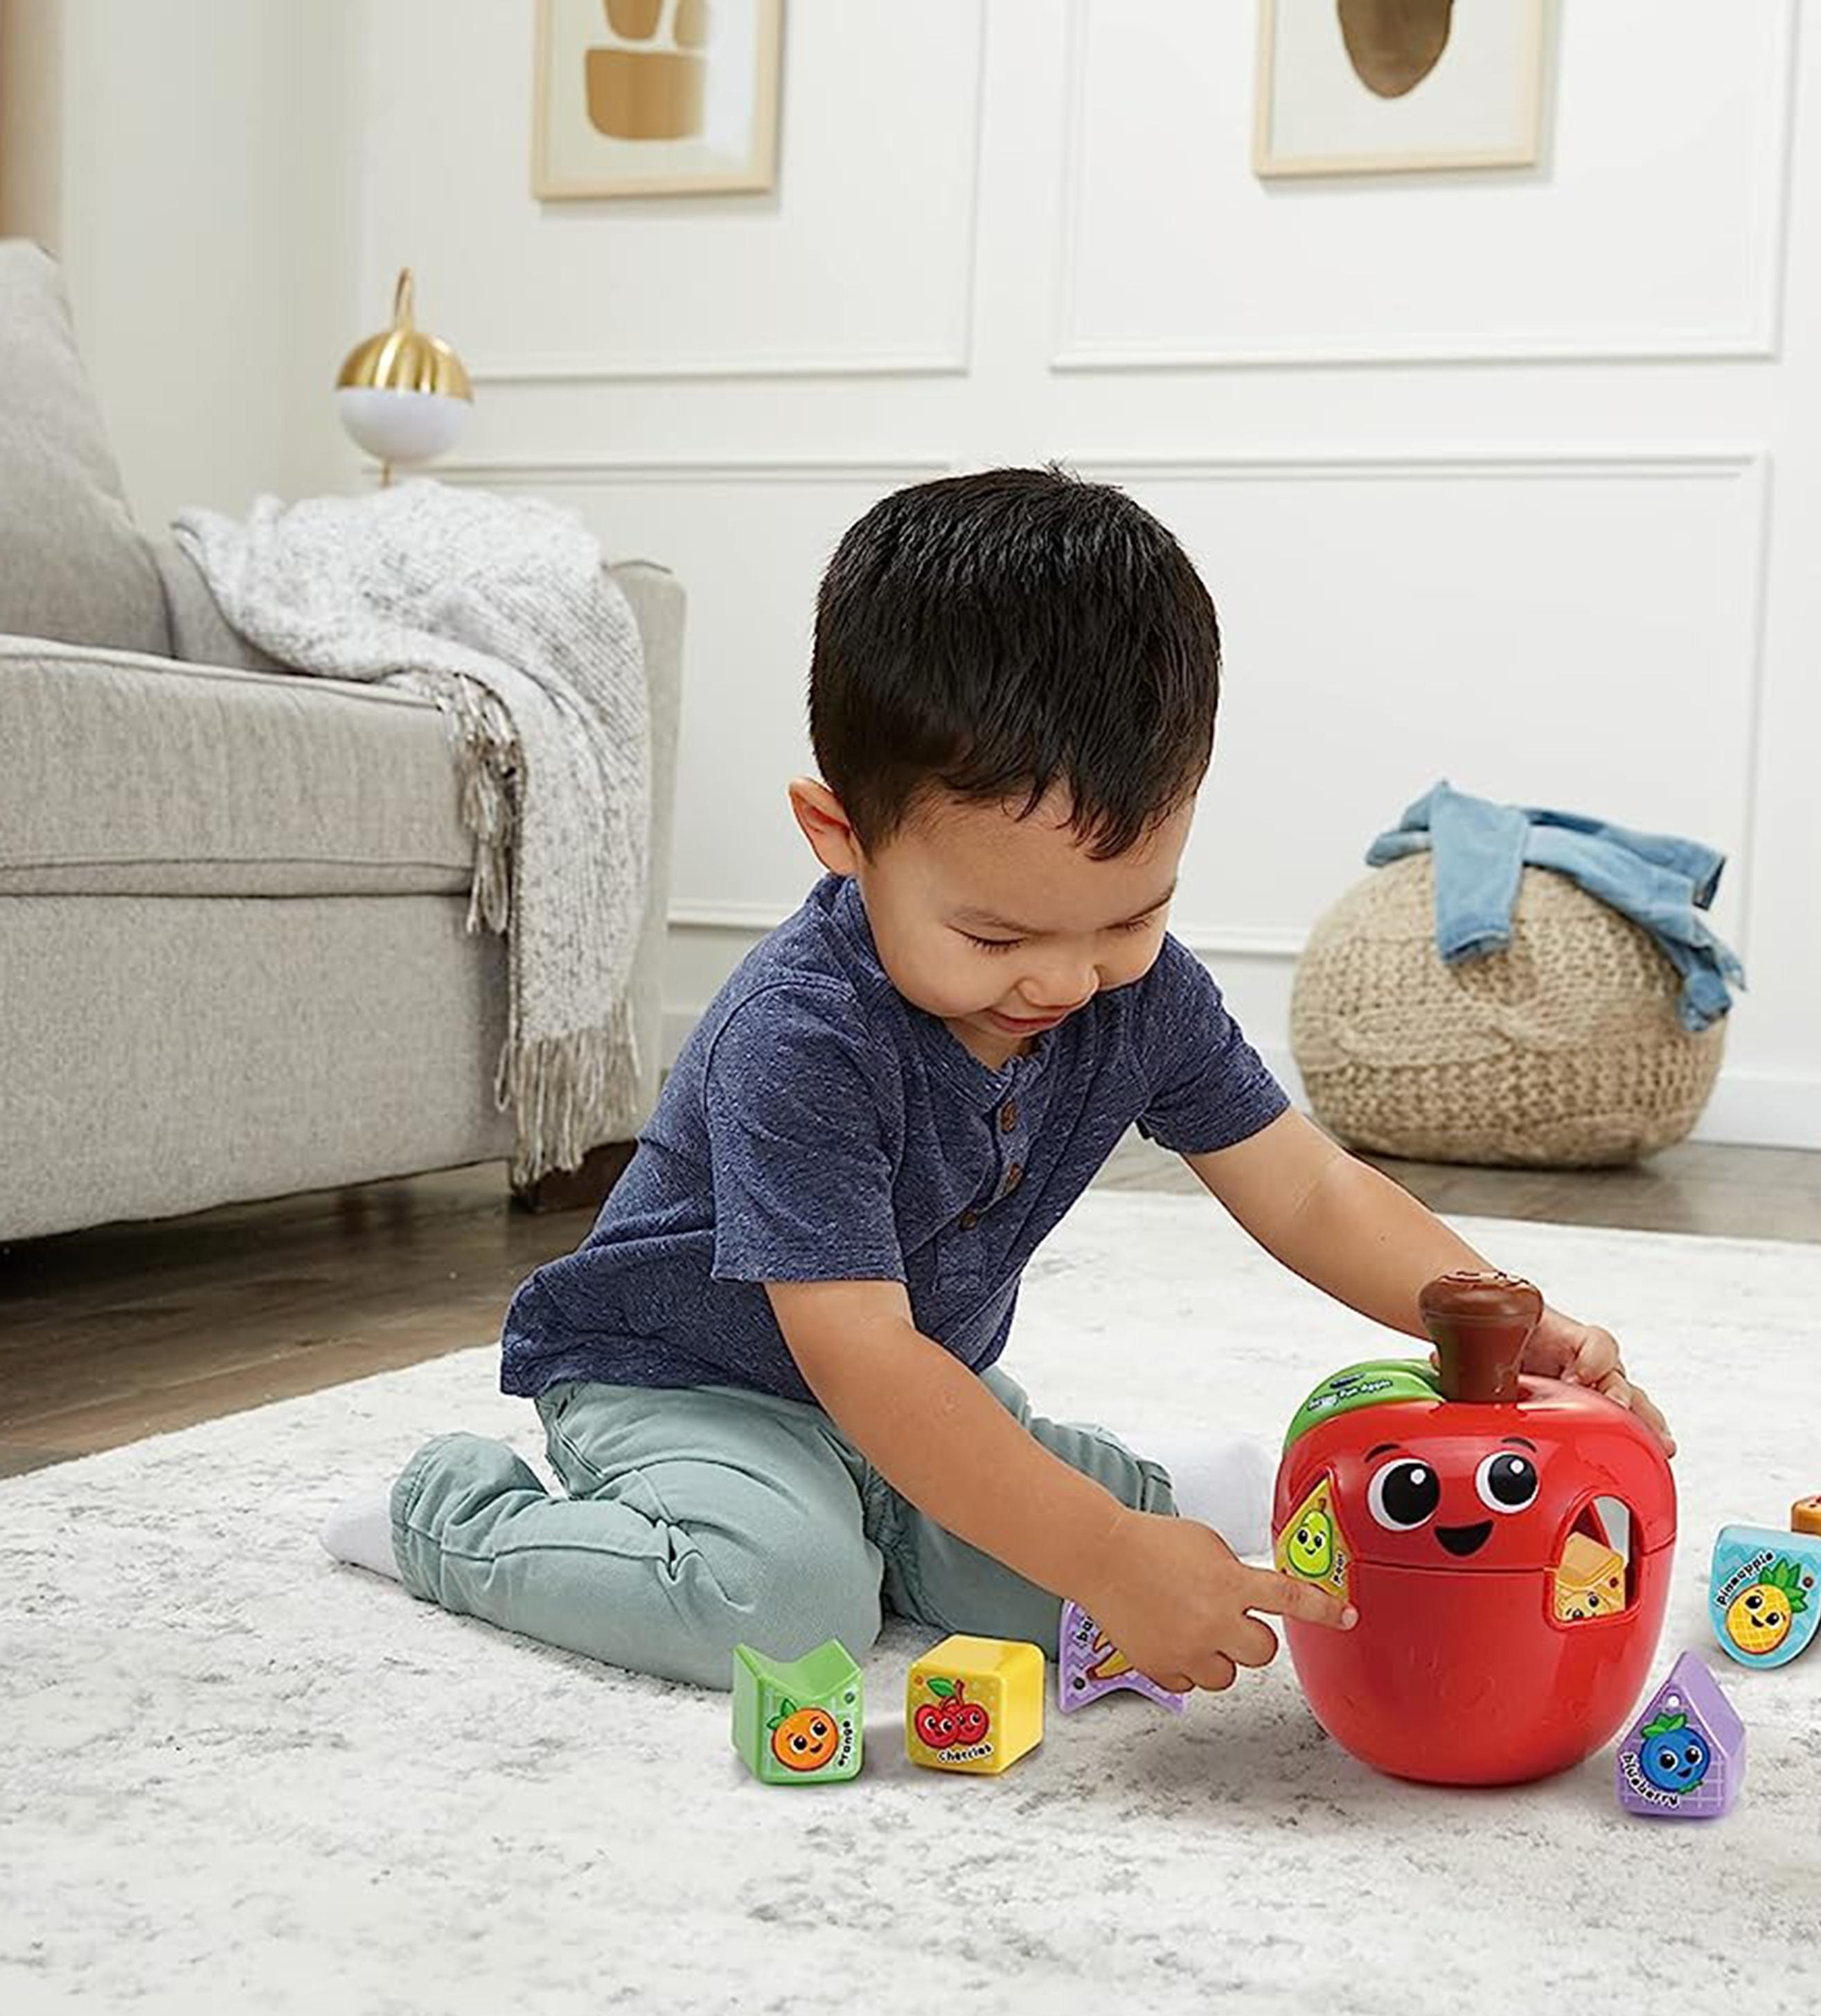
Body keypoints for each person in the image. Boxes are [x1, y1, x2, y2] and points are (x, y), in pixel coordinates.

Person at [321, 467, 1671, 1697]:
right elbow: (860, 1357)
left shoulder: (1139, 989)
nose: (1069, 980)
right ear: (842, 834)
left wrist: (1502, 1326)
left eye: (1131, 914)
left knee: (1083, 1587)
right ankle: (453, 1517)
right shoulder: (801, 1037)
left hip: (922, 1394)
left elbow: (1308, 1188)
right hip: (686, 1386)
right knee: (789, 1610)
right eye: (995, 936)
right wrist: (1109, 1552)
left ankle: (1103, 1498)